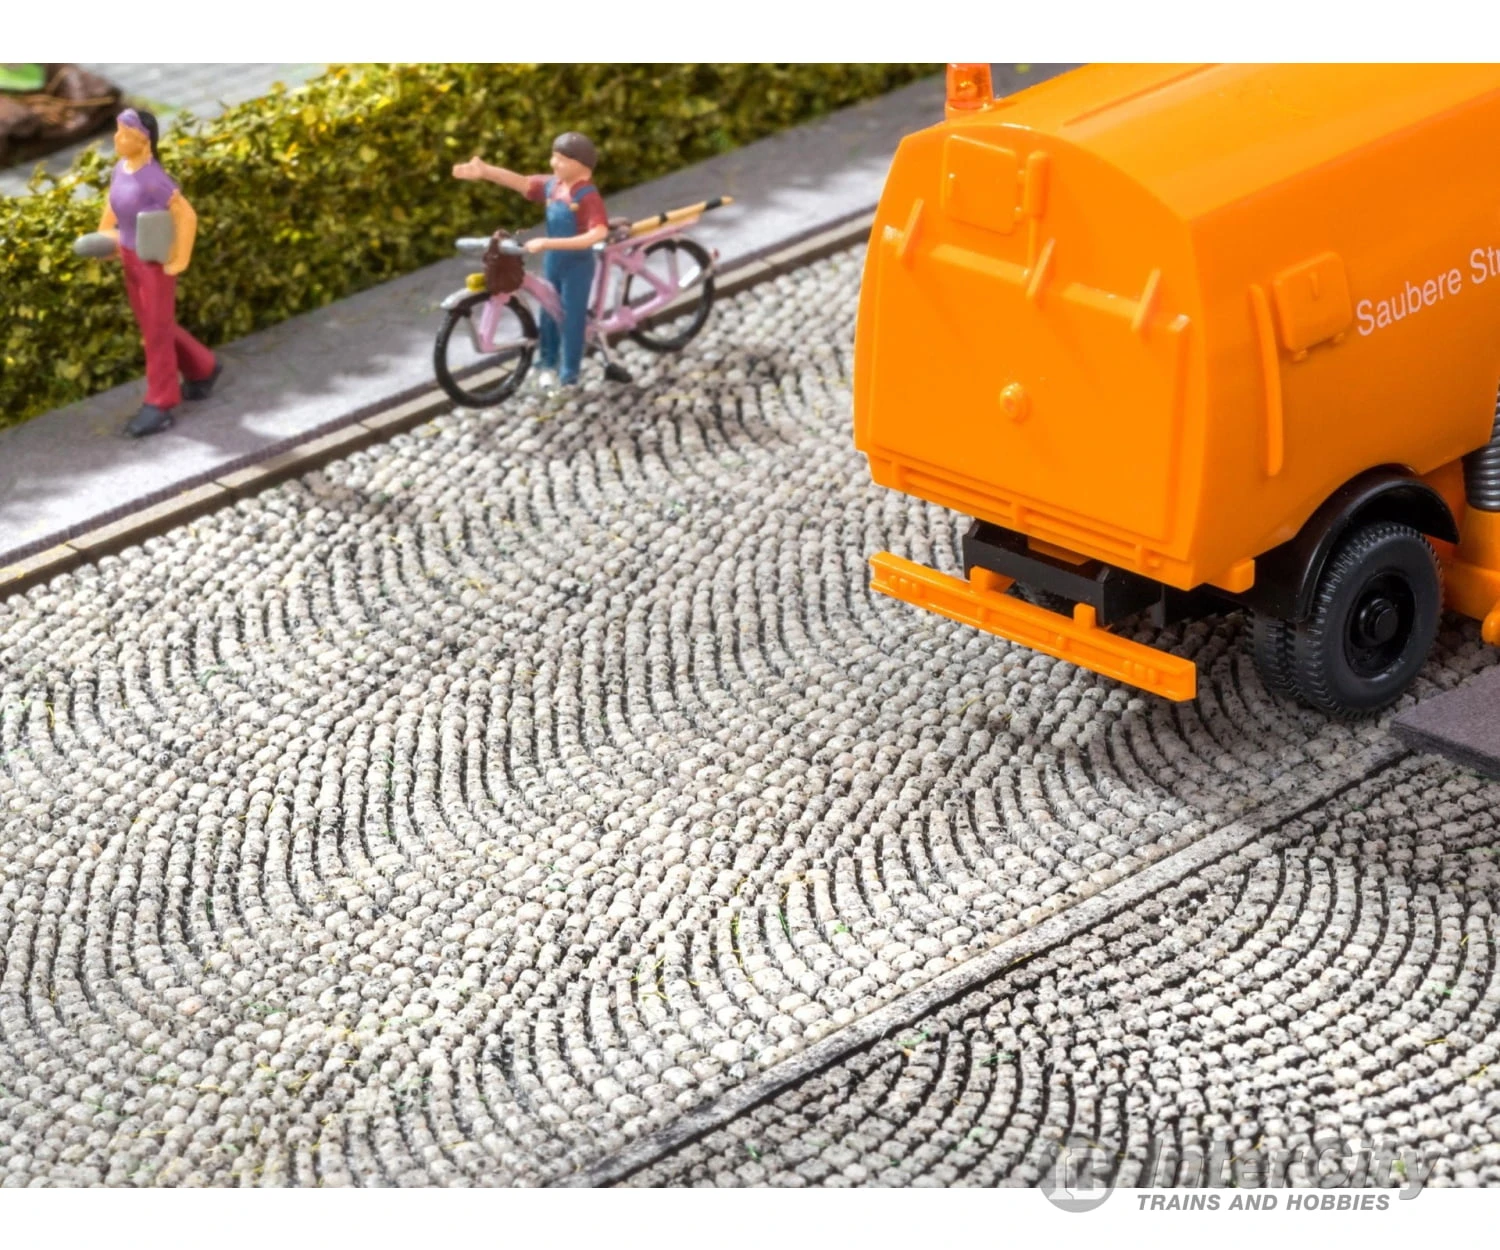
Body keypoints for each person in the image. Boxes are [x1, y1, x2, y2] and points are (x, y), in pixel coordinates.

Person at [97, 108, 220, 437]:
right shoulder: (121, 169)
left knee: (156, 332)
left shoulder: (153, 179)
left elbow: (186, 215)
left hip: (154, 263)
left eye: (125, 134)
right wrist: (105, 235)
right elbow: (113, 203)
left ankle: (161, 403)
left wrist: (180, 258)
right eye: (117, 131)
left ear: (144, 140)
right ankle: (203, 366)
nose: (117, 138)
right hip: (129, 255)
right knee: (155, 325)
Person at [452, 132, 609, 388]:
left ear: (581, 164)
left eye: (562, 160)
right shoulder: (553, 186)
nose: (554, 163)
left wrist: (548, 243)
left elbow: (598, 233)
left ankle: (569, 374)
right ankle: (547, 361)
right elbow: (522, 182)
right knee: (548, 312)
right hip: (554, 262)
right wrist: (485, 171)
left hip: (577, 266)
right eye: (554, 157)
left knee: (572, 318)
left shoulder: (587, 196)